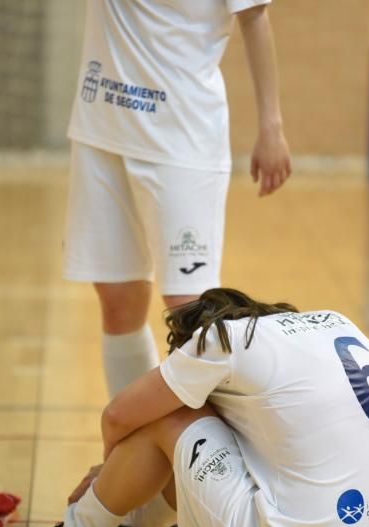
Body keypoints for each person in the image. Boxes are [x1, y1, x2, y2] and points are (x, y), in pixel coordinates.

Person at [10, 288, 369, 527]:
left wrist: (107, 481)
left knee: (166, 411)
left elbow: (119, 416)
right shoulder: (334, 325)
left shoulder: (221, 339)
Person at [64, 0, 293, 399]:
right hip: (101, 131)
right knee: (118, 299)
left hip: (180, 139)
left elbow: (255, 17)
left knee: (191, 312)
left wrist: (271, 126)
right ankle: (133, 452)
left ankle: (203, 454)